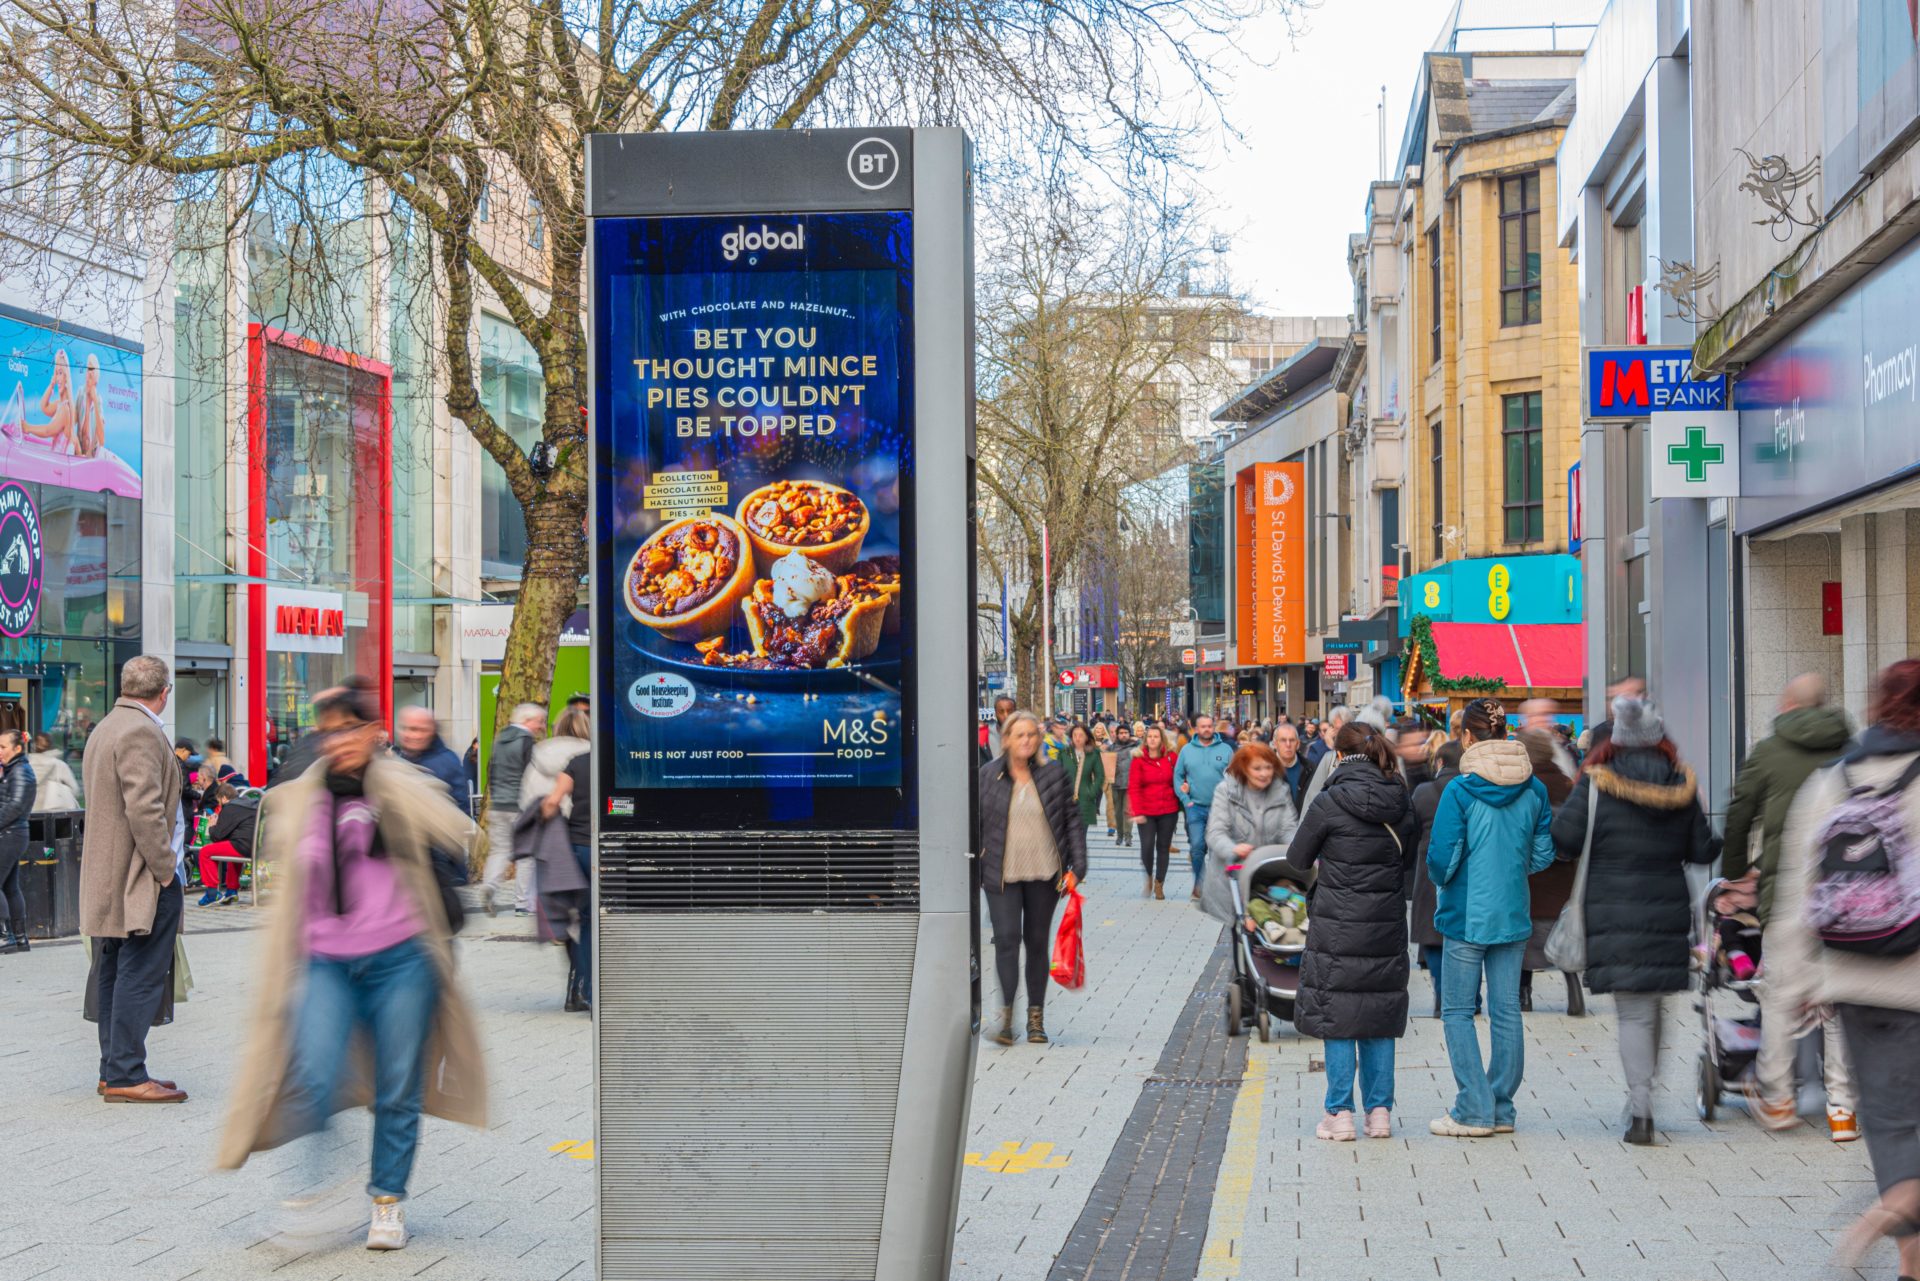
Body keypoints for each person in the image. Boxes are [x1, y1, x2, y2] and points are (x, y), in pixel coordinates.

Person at [215, 679, 485, 1252]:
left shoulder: (404, 787)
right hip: (324, 961)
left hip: (401, 957)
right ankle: (323, 1187)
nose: (336, 742)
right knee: (312, 1072)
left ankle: (387, 1201)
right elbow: (280, 879)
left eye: (348, 729)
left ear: (373, 732)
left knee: (397, 1083)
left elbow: (466, 835)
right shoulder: (296, 798)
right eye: (328, 731)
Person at [1768, 660, 1920, 1278]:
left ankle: (1909, 1255)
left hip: (1855, 980)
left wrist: (1794, 988)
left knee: (1890, 1124)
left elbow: (1796, 900)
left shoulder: (1832, 781)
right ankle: (1895, 1213)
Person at [1551, 697, 1719, 1145]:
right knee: (1654, 1003)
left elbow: (1563, 839)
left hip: (1611, 912)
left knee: (1633, 1012)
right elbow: (1704, 850)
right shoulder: (1680, 783)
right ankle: (1644, 1099)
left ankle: (1640, 1108)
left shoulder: (1596, 783)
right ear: (1659, 739)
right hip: (1665, 911)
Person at [1721, 673, 1858, 1139]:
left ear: (1788, 704)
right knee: (1839, 998)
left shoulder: (1770, 750)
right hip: (1848, 895)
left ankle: (1778, 1099)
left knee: (1779, 997)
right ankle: (1842, 1109)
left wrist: (1736, 871)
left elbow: (1740, 813)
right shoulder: (1851, 748)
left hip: (1789, 891)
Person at [1424, 698, 1556, 1138]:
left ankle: (1473, 1108)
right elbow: (1542, 854)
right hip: (1513, 909)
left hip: (1466, 912)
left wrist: (1444, 882)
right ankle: (1501, 1107)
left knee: (1459, 1011)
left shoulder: (1460, 790)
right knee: (1506, 1011)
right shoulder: (1535, 788)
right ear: (1505, 733)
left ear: (1467, 737)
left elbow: (1443, 857)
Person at [1285, 723, 1417, 1140]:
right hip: (1385, 922)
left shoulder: (1329, 801)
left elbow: (1296, 858)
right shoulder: (1400, 799)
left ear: (1339, 757)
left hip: (1337, 925)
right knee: (1379, 1012)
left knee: (1337, 1014)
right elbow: (1407, 856)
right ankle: (1379, 1113)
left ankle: (1339, 1114)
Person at [79, 655, 189, 1102]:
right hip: (140, 876)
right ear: (163, 693)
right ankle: (126, 1074)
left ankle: (115, 1068)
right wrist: (165, 870)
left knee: (112, 969)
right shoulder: (142, 730)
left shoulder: (106, 725)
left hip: (110, 875)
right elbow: (144, 808)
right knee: (140, 972)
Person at [977, 710, 1086, 1047]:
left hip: (1045, 873)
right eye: (1019, 735)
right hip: (1001, 874)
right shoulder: (987, 776)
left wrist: (1077, 868)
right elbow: (973, 824)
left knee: (1037, 943)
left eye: (1031, 735)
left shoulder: (1054, 774)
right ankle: (1006, 1017)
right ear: (1006, 739)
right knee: (1007, 941)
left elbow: (1072, 822)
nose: (1026, 741)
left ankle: (1036, 1019)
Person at [517, 708, 593, 1012]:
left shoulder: (538, 756)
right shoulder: (594, 757)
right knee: (589, 917)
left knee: (567, 916)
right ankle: (583, 986)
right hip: (585, 841)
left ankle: (576, 984)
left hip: (553, 846)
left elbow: (529, 802)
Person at [1517, 728, 1582, 1016]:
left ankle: (1524, 995)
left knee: (1524, 940)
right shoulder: (1568, 783)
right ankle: (1574, 990)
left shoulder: (1523, 785)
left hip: (1531, 873)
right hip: (1563, 874)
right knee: (1562, 929)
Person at [1199, 742, 1299, 926]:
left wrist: (1297, 849)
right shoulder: (1226, 791)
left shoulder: (1280, 791)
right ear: (1244, 768)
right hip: (1234, 878)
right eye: (1257, 768)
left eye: (1268, 767)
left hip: (1267, 873)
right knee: (1242, 933)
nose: (1264, 773)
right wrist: (1233, 848)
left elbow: (1288, 828)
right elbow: (1215, 832)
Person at [1408, 740, 1464, 1016]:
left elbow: (1411, 828)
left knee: (1431, 935)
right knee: (1464, 937)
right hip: (1465, 868)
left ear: (1439, 762)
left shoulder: (1424, 792)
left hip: (1430, 870)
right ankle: (1469, 997)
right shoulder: (1470, 792)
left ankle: (1441, 993)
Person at [481, 704, 545, 916]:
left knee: (500, 850)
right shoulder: (526, 741)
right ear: (528, 720)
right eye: (538, 721)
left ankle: (490, 885)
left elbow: (491, 770)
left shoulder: (500, 738)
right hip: (520, 805)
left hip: (498, 804)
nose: (540, 726)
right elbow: (531, 775)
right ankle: (522, 904)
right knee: (526, 855)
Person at [1174, 715, 1233, 900]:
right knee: (1197, 847)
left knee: (1217, 850)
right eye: (1203, 727)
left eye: (1209, 726)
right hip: (1195, 807)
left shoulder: (1225, 750)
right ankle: (1199, 884)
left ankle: (1215, 886)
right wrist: (1185, 799)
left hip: (1220, 808)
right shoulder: (1187, 750)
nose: (1207, 729)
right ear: (1196, 729)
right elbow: (1177, 776)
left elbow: (1235, 776)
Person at [1128, 724, 1180, 900]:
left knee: (1163, 847)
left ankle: (1159, 884)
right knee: (1147, 847)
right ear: (1145, 739)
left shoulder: (1171, 757)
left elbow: (1179, 779)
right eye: (1149, 736)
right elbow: (1133, 786)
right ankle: (1149, 875)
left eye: (1156, 736)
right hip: (1146, 811)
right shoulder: (1139, 759)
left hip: (1168, 809)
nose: (1152, 739)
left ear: (1161, 739)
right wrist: (1137, 811)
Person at [195, 783, 259, 906]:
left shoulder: (230, 807)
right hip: (256, 846)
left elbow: (217, 836)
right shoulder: (248, 804)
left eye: (219, 801)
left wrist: (212, 825)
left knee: (205, 852)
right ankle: (231, 891)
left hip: (243, 845)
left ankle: (212, 893)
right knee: (232, 854)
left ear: (224, 798)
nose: (219, 805)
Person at [0, 730, 35, 954]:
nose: (0, 751)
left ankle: (5, 936)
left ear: (17, 748)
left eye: (3, 747)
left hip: (10, 834)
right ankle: (20, 938)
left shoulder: (21, 771)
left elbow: (15, 806)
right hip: (12, 834)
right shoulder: (13, 770)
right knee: (10, 887)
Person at [394, 708, 468, 809]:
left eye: (417, 729)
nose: (409, 735)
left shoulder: (448, 762)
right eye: (404, 728)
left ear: (432, 731)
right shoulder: (396, 760)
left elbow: (461, 807)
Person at [1065, 723, 1105, 833]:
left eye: (1081, 735)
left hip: (1085, 800)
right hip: (1067, 800)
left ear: (1087, 737)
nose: (1077, 738)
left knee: (1081, 835)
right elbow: (1059, 775)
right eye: (1075, 735)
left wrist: (1091, 792)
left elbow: (1100, 775)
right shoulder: (1064, 753)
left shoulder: (1094, 753)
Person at [26, 732, 78, 812]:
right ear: (51, 745)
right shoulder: (59, 765)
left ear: (34, 745)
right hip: (52, 811)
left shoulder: (26, 765)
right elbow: (74, 789)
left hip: (29, 811)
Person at [1107, 723, 1134, 846]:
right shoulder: (1112, 748)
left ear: (1129, 734)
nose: (1123, 735)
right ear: (1117, 735)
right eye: (1121, 733)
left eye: (1126, 733)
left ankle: (1128, 836)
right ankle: (1120, 835)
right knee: (1118, 812)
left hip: (1131, 784)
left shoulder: (1135, 747)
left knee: (1128, 811)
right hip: (1116, 783)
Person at [1272, 722, 1308, 812]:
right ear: (1275, 744)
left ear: (1298, 744)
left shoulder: (1310, 769)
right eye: (1283, 740)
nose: (1288, 745)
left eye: (1292, 740)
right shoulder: (1265, 770)